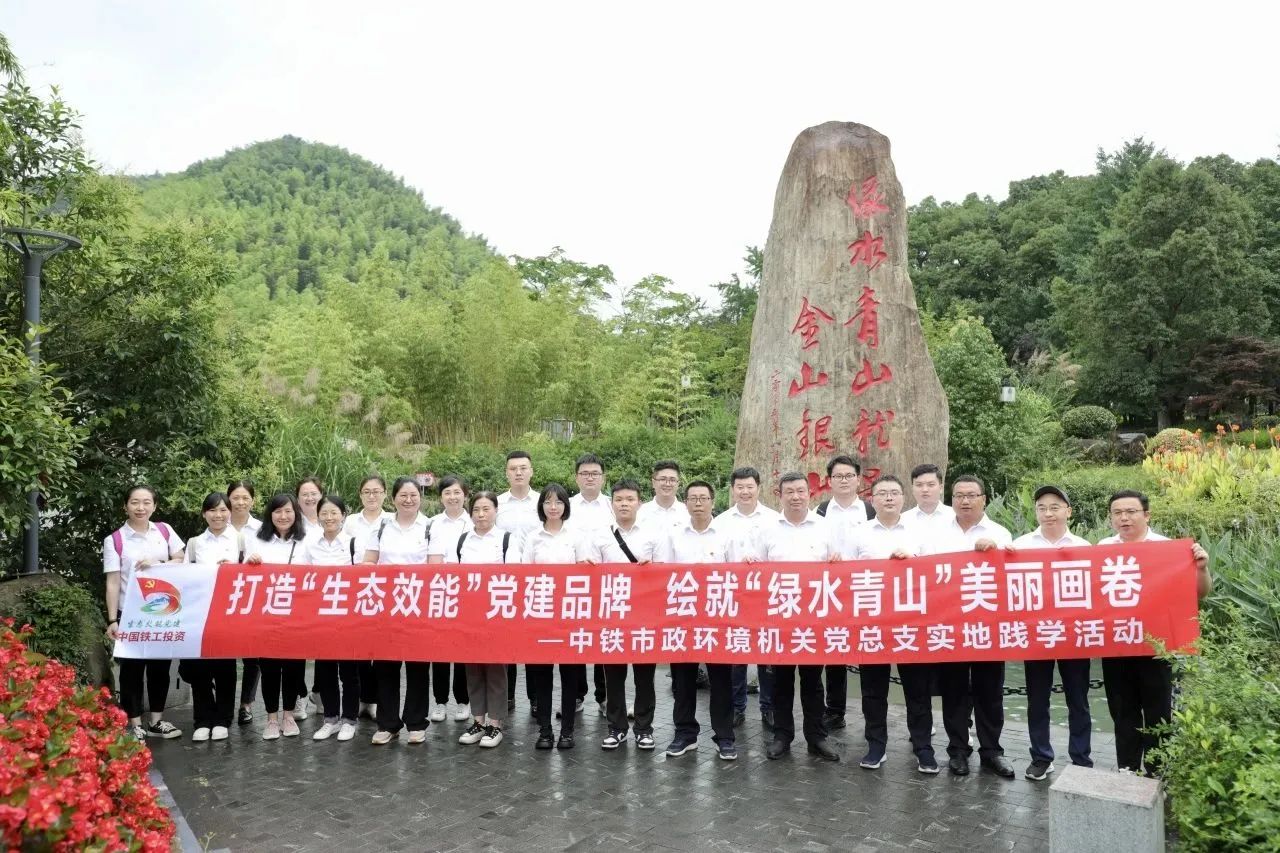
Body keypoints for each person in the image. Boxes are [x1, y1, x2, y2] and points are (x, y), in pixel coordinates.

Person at [1099, 489, 1211, 774]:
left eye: (1131, 512)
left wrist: (1201, 568)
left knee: (1158, 709)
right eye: (1117, 513)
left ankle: (1156, 770)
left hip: (1158, 645)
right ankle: (1126, 767)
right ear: (1111, 518)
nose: (1124, 518)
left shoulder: (1168, 549)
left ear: (1146, 515)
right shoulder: (1102, 548)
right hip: (1117, 642)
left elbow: (1199, 594)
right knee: (1122, 709)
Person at [834, 474, 936, 773]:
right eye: (882, 493)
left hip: (911, 624)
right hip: (872, 624)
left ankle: (923, 749)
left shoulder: (920, 532)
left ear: (904, 498)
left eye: (894, 492)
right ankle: (876, 746)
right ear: (872, 499)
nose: (889, 498)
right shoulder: (859, 534)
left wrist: (913, 561)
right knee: (873, 690)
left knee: (917, 690)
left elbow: (938, 575)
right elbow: (844, 577)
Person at [929, 475, 1015, 778]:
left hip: (988, 628)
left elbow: (1013, 577)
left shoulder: (1000, 533)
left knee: (990, 692)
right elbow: (922, 575)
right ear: (952, 499)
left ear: (984, 499)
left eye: (971, 495)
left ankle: (992, 752)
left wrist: (997, 553)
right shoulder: (936, 534)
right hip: (950, 627)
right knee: (953, 692)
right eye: (959, 495)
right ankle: (958, 751)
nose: (965, 501)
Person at [1007, 485, 1094, 781]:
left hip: (1074, 636)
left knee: (1078, 699)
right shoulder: (1020, 546)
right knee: (1037, 699)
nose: (1048, 513)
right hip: (1037, 635)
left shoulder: (1084, 547)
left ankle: (1081, 758)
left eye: (1055, 507)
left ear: (1068, 511)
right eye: (1042, 507)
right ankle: (1041, 756)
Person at [752, 472, 839, 762]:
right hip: (779, 619)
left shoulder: (825, 527)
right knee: (781, 682)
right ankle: (782, 736)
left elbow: (840, 568)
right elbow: (756, 572)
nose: (796, 497)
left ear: (810, 493)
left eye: (801, 491)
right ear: (779, 495)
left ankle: (816, 737)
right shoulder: (767, 529)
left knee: (813, 682)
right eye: (789, 491)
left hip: (815, 619)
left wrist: (837, 563)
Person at [584, 479, 664, 752]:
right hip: (612, 615)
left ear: (639, 502)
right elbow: (590, 575)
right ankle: (616, 728)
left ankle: (644, 729)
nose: (624, 504)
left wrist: (652, 568)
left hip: (645, 615)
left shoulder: (653, 534)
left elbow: (665, 573)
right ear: (612, 504)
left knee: (644, 677)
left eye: (630, 499)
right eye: (619, 500)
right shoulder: (600, 535)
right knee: (614, 676)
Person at [661, 481, 737, 760]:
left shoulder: (727, 535)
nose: (698, 503)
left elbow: (738, 575)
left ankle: (724, 736)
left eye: (703, 498)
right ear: (686, 503)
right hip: (683, 617)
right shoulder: (675, 536)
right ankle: (685, 734)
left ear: (713, 502)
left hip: (718, 617)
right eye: (692, 498)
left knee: (721, 680)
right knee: (683, 679)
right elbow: (663, 574)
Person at [104, 484, 186, 741]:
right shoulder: (115, 540)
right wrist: (112, 620)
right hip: (130, 614)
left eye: (146, 502)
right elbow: (113, 582)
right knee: (132, 670)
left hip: (162, 613)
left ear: (154, 505)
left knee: (160, 668)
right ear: (125, 506)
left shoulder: (164, 530)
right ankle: (135, 723)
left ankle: (157, 721)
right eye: (135, 502)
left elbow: (181, 560)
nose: (141, 507)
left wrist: (158, 564)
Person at [362, 476, 433, 745]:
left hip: (417, 606)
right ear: (393, 499)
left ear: (420, 498)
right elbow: (369, 562)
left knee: (417, 667)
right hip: (386, 608)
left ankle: (416, 722)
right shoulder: (381, 527)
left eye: (413, 495)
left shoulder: (430, 527)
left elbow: (435, 567)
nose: (408, 500)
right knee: (385, 667)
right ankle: (387, 724)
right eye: (403, 495)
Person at [709, 466, 779, 727]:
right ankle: (737, 707)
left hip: (766, 597)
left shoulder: (774, 519)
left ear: (758, 488)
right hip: (733, 596)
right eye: (740, 487)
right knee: (735, 654)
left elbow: (780, 557)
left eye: (750, 486)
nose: (745, 492)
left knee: (766, 653)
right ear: (732, 489)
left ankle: (768, 707)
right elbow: (715, 557)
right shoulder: (721, 521)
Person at [522, 483, 587, 750]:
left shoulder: (576, 536)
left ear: (565, 506)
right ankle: (545, 731)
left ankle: (568, 731)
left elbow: (584, 574)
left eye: (558, 502)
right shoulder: (532, 537)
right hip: (541, 615)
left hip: (569, 615)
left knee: (570, 675)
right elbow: (525, 576)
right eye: (548, 502)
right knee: (542, 676)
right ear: (541, 506)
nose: (553, 507)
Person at [243, 493, 311, 741]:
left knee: (294, 668)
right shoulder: (256, 540)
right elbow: (243, 576)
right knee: (269, 668)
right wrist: (249, 562)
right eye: (278, 511)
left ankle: (289, 716)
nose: (283, 516)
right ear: (270, 514)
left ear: (296, 514)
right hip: (266, 616)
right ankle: (271, 719)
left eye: (288, 511)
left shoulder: (307, 541)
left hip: (297, 616)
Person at [814, 454, 874, 732]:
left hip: (866, 587)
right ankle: (835, 710)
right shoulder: (821, 511)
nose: (844, 480)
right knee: (835, 650)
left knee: (869, 649)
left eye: (849, 475)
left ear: (858, 479)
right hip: (832, 590)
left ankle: (872, 711)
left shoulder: (870, 511)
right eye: (838, 476)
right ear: (829, 481)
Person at [457, 491, 521, 748]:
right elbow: (452, 575)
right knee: (473, 669)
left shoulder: (507, 540)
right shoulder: (463, 540)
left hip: (497, 614)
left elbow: (514, 576)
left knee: (495, 670)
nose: (481, 514)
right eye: (476, 510)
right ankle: (478, 721)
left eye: (486, 509)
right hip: (469, 616)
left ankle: (495, 724)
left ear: (496, 511)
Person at [182, 492, 240, 742]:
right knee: (199, 668)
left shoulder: (240, 540)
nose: (218, 515)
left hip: (228, 612)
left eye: (223, 510)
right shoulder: (195, 543)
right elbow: (185, 577)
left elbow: (253, 573)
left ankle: (223, 719)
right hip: (200, 612)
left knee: (225, 667)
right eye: (213, 510)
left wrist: (234, 568)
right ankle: (202, 719)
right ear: (204, 514)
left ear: (230, 513)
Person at [305, 495, 362, 742]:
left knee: (349, 672)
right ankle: (330, 719)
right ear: (318, 517)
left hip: (348, 617)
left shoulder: (354, 544)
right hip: (321, 617)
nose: (329, 518)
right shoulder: (311, 545)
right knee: (325, 670)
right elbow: (303, 578)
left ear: (343, 515)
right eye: (324, 513)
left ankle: (349, 719)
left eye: (334, 513)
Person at [566, 454, 612, 719]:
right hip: (575, 583)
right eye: (585, 473)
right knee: (577, 639)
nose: (590, 477)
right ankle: (576, 695)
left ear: (603, 477)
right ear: (577, 478)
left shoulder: (612, 505)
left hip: (606, 582)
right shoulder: (567, 506)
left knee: (604, 638)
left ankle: (605, 697)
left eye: (595, 473)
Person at [425, 475, 474, 723]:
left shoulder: (474, 521)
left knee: (463, 648)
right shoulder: (432, 523)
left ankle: (463, 700)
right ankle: (440, 701)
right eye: (447, 493)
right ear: (440, 497)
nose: (452, 497)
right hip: (440, 591)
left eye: (457, 492)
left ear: (465, 495)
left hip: (467, 593)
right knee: (440, 648)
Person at [496, 450, 540, 712]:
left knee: (533, 642)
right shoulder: (497, 503)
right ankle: (507, 696)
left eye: (523, 468)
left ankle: (535, 699)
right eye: (513, 469)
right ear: (507, 473)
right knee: (507, 641)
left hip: (536, 581)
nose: (519, 472)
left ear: (531, 471)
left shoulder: (543, 502)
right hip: (506, 581)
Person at [227, 479, 264, 727]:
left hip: (253, 597)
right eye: (236, 497)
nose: (240, 502)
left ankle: (246, 705)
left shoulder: (262, 529)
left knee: (252, 656)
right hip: (225, 599)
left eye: (245, 498)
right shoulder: (219, 523)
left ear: (253, 500)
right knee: (223, 654)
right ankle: (224, 703)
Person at [293, 476, 325, 718]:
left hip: (325, 592)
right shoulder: (291, 522)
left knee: (323, 646)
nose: (310, 498)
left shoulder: (331, 519)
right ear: (298, 498)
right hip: (298, 591)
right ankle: (299, 694)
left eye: (314, 493)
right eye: (305, 494)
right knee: (298, 646)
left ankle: (319, 692)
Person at [902, 463, 955, 544]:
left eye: (931, 485)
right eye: (919, 485)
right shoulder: (903, 520)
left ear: (941, 488)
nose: (925, 490)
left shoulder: (955, 517)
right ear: (912, 489)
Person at [636, 460, 689, 529]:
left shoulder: (688, 512)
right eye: (663, 479)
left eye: (672, 480)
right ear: (653, 482)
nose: (667, 484)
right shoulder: (640, 512)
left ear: (678, 484)